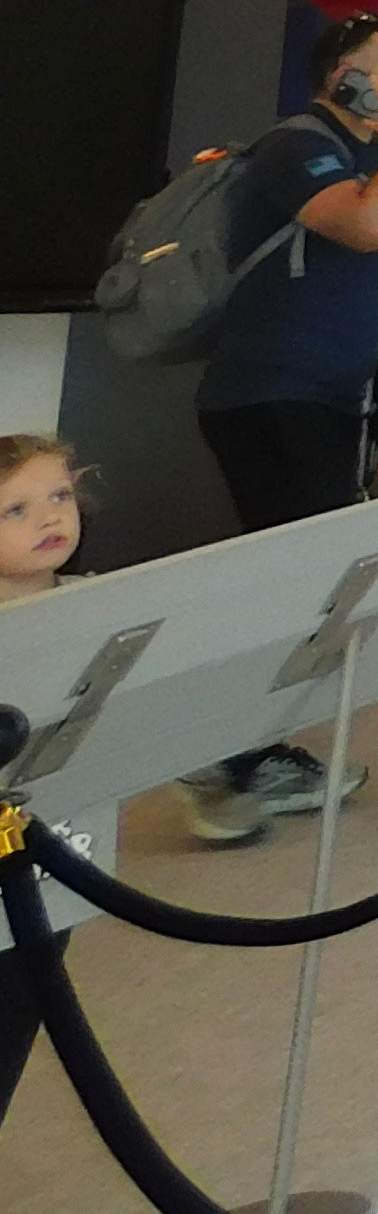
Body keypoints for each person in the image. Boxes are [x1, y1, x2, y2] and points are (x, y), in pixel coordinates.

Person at [176, 12, 378, 847]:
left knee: (312, 585)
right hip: (273, 397)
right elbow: (368, 226)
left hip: (330, 402)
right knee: (298, 586)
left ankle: (249, 750)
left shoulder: (375, 165)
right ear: (345, 77)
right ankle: (218, 758)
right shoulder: (295, 145)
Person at [0, 432, 107, 1127]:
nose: (49, 518)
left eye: (60, 496)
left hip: (54, 860)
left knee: (16, 1017)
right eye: (15, 510)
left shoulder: (102, 605)